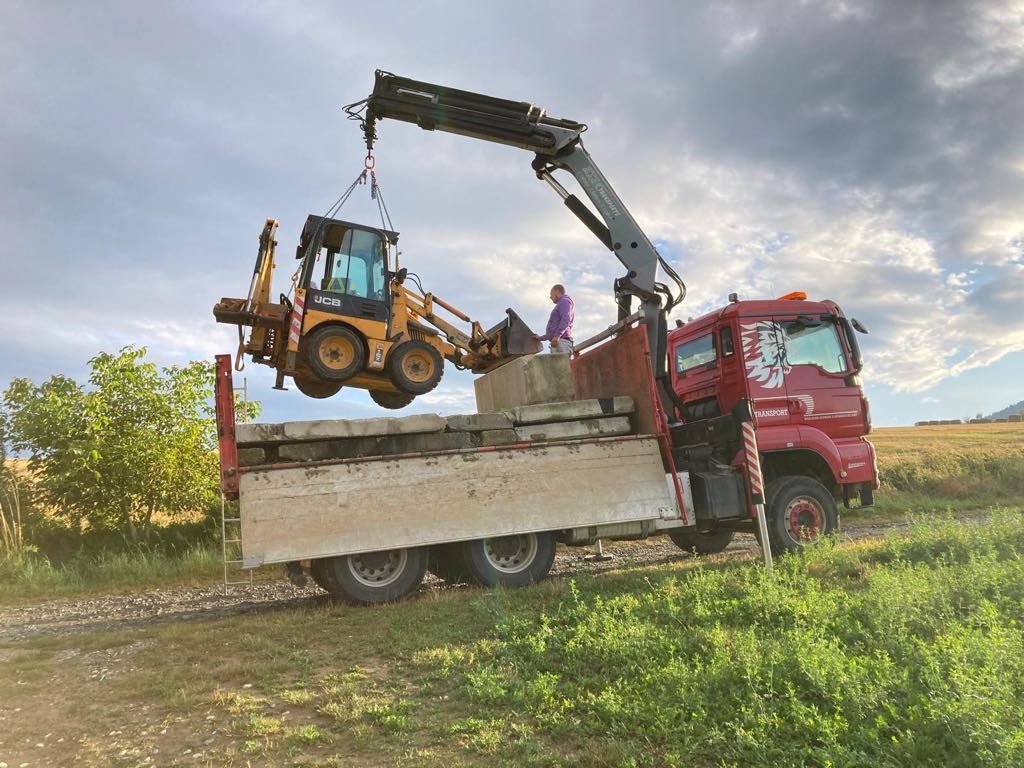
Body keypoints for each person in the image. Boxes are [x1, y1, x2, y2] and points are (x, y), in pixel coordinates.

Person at [537, 284, 575, 354]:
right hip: (559, 342)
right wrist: (540, 338)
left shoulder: (565, 301)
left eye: (551, 293)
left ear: (557, 291)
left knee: (560, 365)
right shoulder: (562, 302)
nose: (550, 297)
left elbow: (566, 319)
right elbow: (553, 331)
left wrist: (557, 336)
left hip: (561, 342)